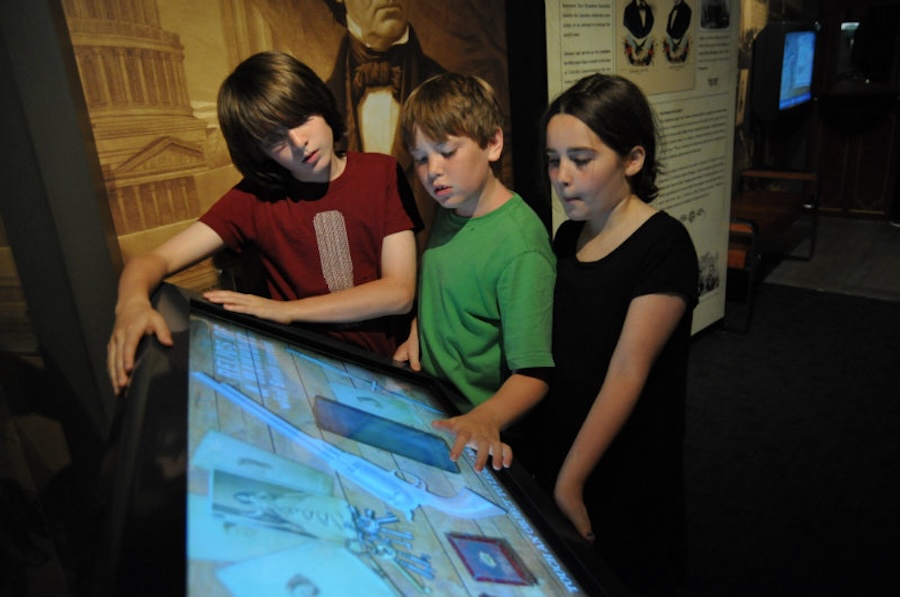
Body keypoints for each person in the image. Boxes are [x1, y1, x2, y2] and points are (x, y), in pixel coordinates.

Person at [107, 51, 421, 394]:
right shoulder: (252, 200)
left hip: (393, 369)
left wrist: (286, 311)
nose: (298, 143)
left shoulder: (380, 173)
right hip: (308, 376)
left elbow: (399, 292)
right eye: (274, 139)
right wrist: (132, 305)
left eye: (301, 118)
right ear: (260, 151)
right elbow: (154, 260)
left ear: (320, 104)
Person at [516, 73, 699, 595]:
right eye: (554, 160)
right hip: (564, 437)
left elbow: (627, 371)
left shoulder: (664, 244)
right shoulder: (570, 235)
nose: (562, 177)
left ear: (633, 159)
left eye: (581, 158)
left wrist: (571, 479)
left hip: (624, 461)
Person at [394, 73, 556, 474]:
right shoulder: (451, 206)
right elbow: (448, 280)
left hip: (477, 428)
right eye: (421, 158)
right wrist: (420, 327)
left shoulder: (520, 246)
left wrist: (486, 418)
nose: (433, 170)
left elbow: (534, 373)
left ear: (493, 144)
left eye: (447, 151)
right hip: (433, 401)